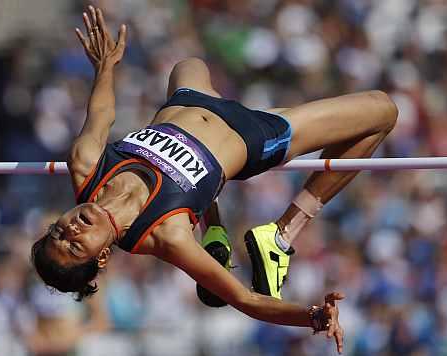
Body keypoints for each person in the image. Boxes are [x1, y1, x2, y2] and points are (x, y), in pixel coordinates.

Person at [32, 6, 398, 354]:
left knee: (188, 63)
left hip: (192, 100)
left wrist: (105, 67)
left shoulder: (86, 166)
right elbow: (244, 299)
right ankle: (282, 234)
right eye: (76, 247)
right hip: (254, 135)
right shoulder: (165, 235)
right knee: (382, 110)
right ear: (103, 257)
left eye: (58, 233)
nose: (72, 232)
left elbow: (101, 112)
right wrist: (313, 317)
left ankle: (214, 229)